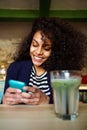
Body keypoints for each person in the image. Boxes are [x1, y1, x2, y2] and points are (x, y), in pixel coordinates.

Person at [2, 17, 87, 105]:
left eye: (46, 48)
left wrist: (47, 100)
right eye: (35, 45)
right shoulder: (15, 68)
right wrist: (5, 100)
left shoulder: (62, 72)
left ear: (56, 51)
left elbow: (68, 105)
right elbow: (4, 105)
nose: (38, 52)